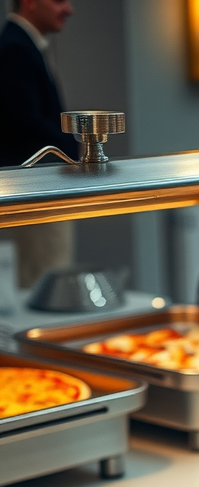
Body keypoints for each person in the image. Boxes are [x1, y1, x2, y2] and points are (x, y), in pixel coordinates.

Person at [0, 0, 76, 288]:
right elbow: (25, 124)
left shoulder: (23, 44)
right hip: (38, 183)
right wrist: (74, 150)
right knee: (46, 284)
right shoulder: (15, 48)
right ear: (30, 2)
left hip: (42, 182)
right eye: (59, 1)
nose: (69, 10)